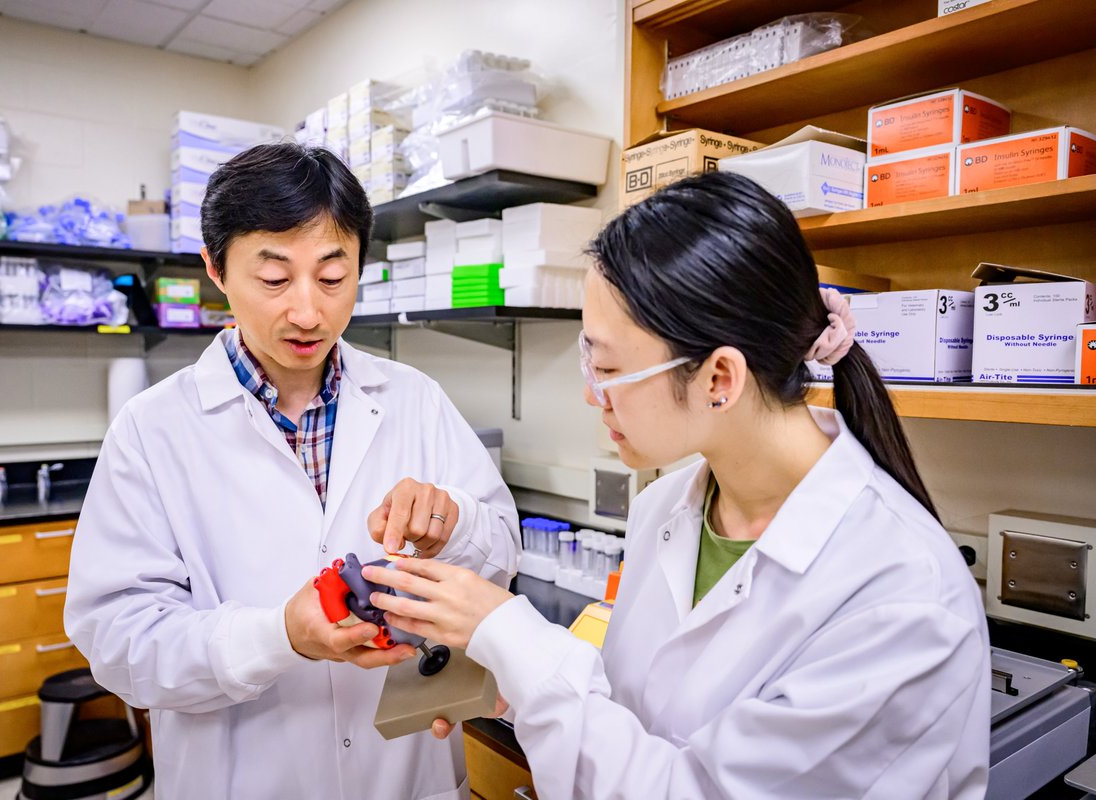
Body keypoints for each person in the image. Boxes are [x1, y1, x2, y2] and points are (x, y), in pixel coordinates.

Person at [364, 172, 990, 799]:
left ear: (720, 377)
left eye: (606, 367)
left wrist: (522, 644)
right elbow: (633, 720)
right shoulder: (667, 506)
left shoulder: (903, 597)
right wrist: (520, 686)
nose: (590, 394)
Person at [64, 142, 520, 799]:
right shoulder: (151, 431)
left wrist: (456, 523)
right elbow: (119, 642)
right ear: (215, 269)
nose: (308, 312)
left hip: (403, 776)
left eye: (333, 278)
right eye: (275, 279)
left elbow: (502, 550)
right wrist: (282, 636)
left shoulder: (414, 398)